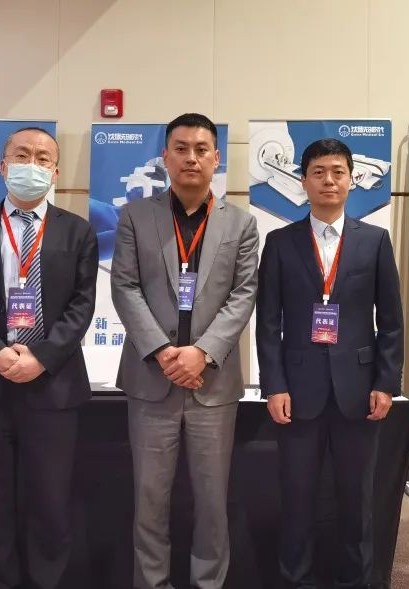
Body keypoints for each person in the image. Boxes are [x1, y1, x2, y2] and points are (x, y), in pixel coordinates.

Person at [0, 127, 98, 589]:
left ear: (56, 172)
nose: (33, 165)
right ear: (3, 167)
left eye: (43, 158)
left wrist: (41, 357)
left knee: (51, 505)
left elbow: (81, 306)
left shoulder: (77, 231)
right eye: (22, 156)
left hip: (53, 387)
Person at [110, 113, 258, 589]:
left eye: (201, 149)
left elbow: (243, 295)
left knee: (212, 503)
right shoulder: (136, 216)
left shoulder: (242, 223)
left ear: (216, 158)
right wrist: (163, 351)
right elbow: (125, 287)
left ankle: (207, 584)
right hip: (151, 381)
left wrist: (202, 353)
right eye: (181, 148)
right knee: (149, 501)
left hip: (213, 384)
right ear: (165, 157)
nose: (191, 158)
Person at [256, 138, 404, 589]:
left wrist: (386, 382)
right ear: (303, 181)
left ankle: (356, 582)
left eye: (338, 172)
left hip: (359, 392)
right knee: (296, 500)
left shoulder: (374, 241)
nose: (329, 181)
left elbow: (391, 321)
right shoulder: (279, 243)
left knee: (357, 501)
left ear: (352, 180)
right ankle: (295, 580)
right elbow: (268, 322)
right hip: (297, 393)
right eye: (318, 172)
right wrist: (274, 385)